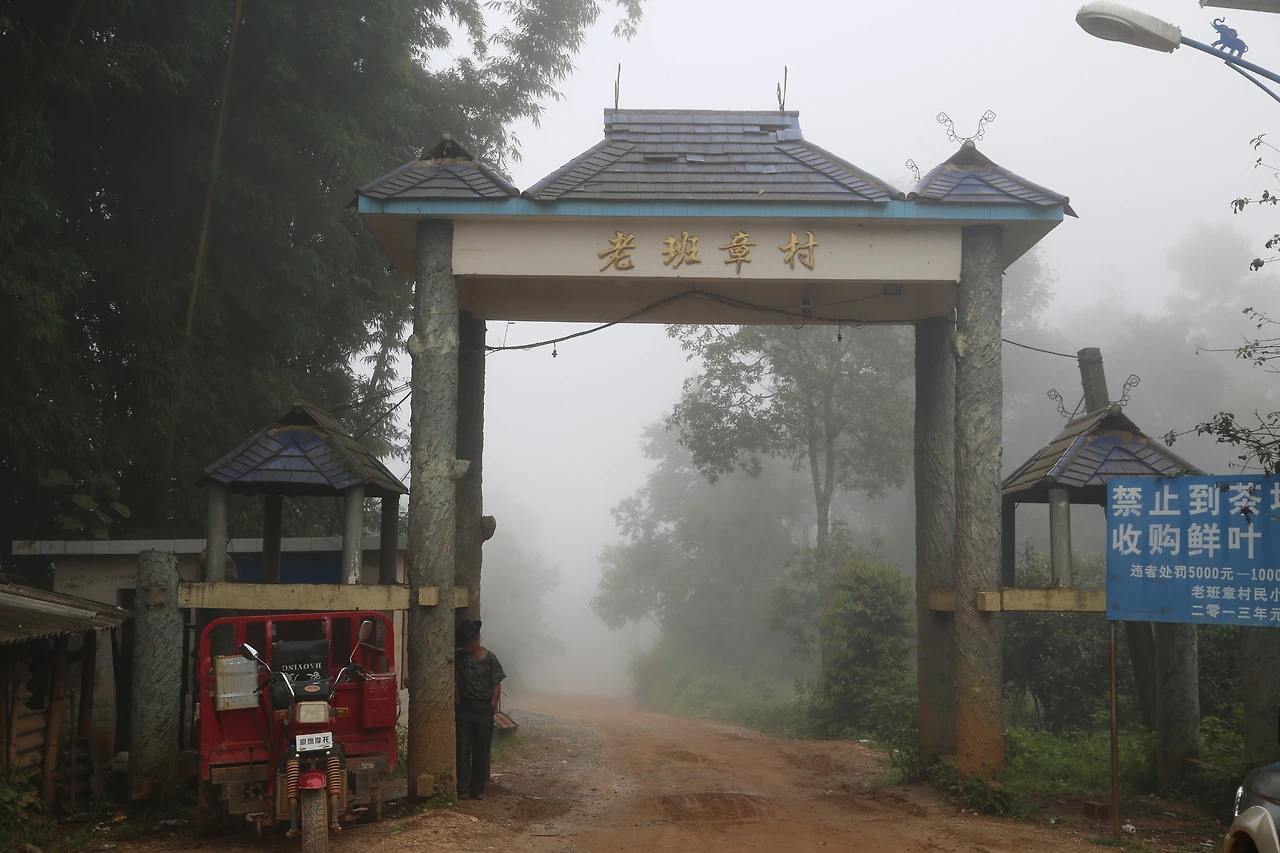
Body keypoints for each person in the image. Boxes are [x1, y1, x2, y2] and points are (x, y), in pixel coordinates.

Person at [454, 618, 505, 800]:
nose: (465, 648)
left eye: (467, 644)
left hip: (483, 709)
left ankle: (478, 789)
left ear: (476, 640)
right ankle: (462, 789)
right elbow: (457, 681)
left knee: (481, 751)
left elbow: (497, 687)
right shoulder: (461, 658)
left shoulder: (490, 659)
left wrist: (490, 708)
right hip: (465, 709)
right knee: (462, 749)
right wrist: (459, 703)